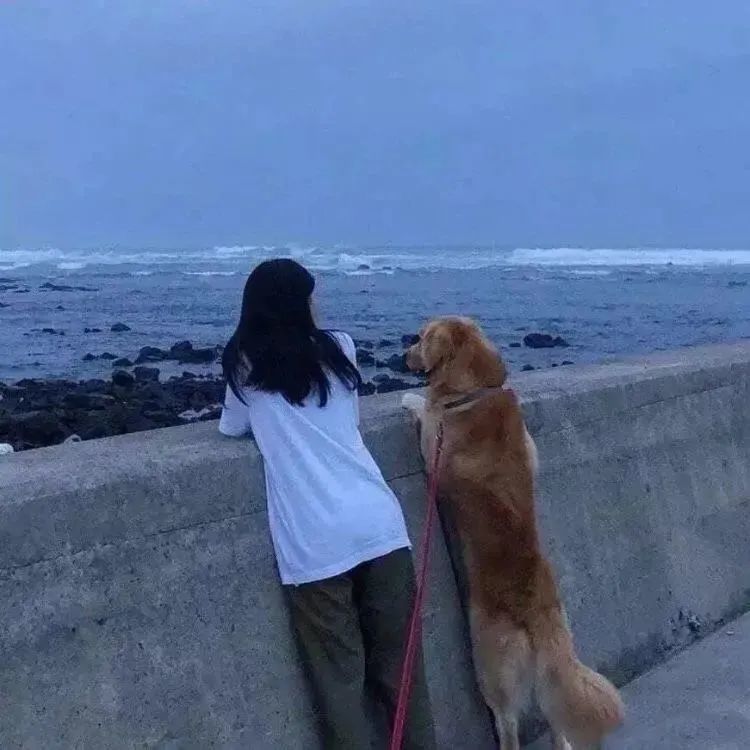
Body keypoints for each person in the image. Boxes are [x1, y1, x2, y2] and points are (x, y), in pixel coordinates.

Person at [219, 259, 436, 750]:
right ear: (299, 303)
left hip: (314, 542)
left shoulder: (242, 363)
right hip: (377, 522)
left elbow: (231, 426)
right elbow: (348, 418)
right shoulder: (340, 348)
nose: (319, 303)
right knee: (402, 677)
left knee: (340, 684)